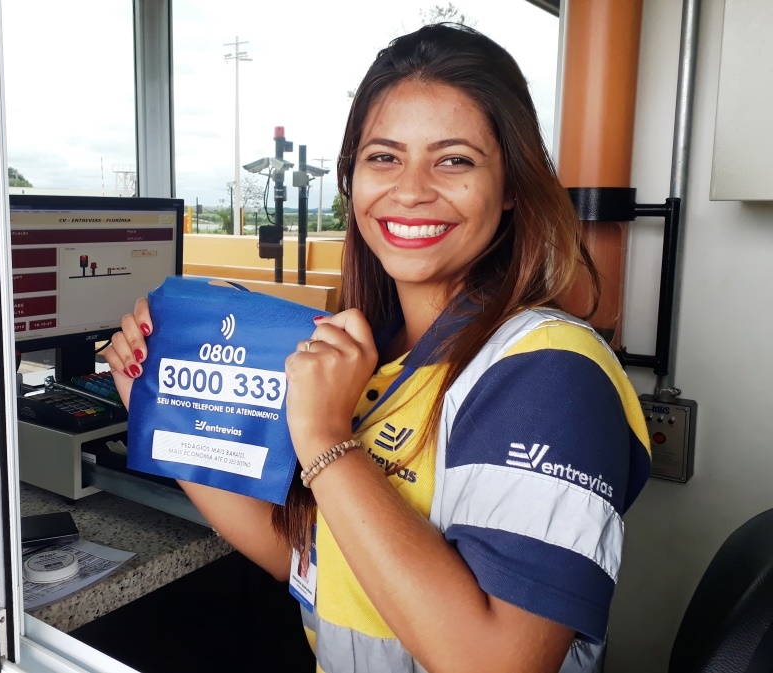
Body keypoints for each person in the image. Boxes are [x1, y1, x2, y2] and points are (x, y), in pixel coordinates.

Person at [103, 23, 650, 673]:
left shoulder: (549, 372)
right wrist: (159, 407)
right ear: (352, 181)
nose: (411, 189)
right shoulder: (375, 355)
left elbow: (499, 662)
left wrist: (326, 439)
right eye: (384, 157)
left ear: (509, 188)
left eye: (454, 159)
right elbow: (306, 560)